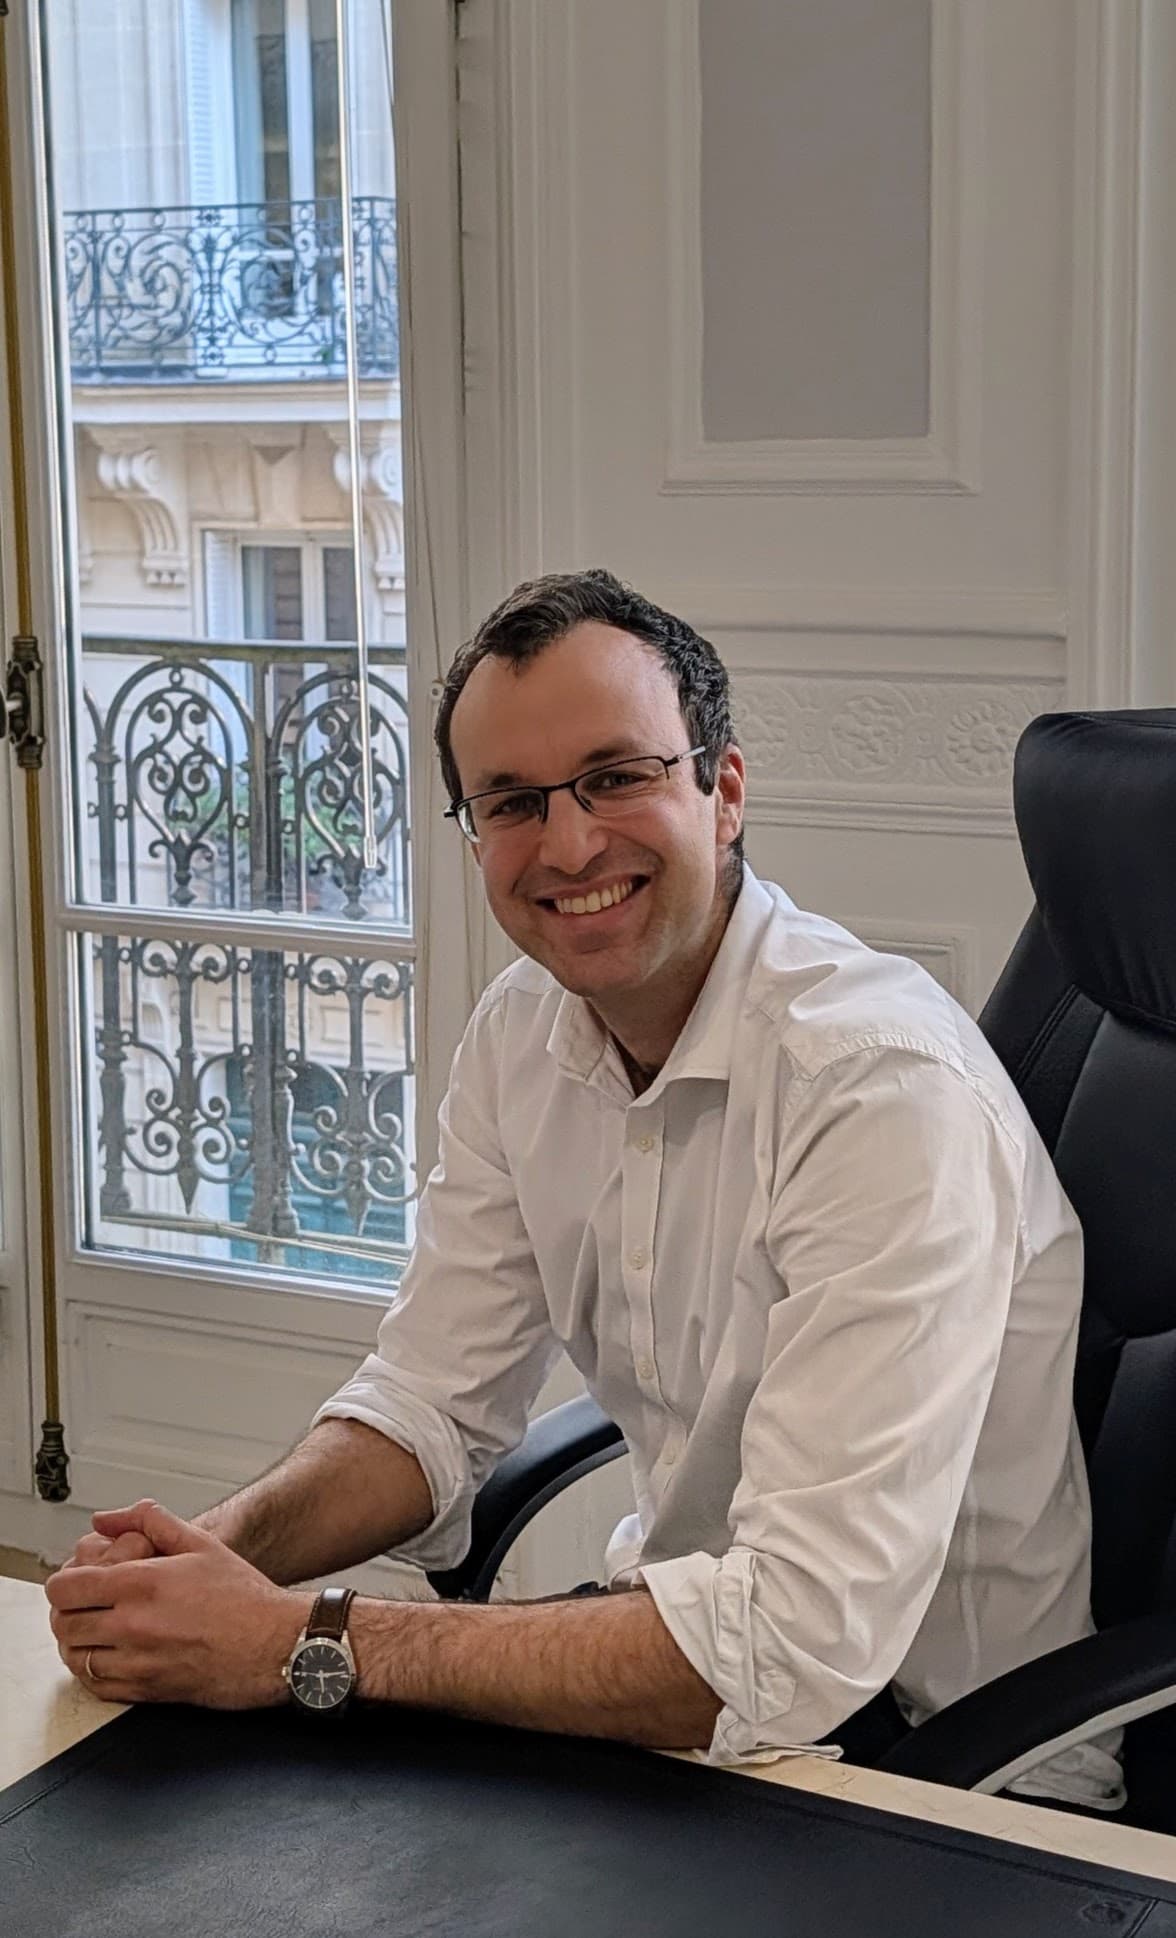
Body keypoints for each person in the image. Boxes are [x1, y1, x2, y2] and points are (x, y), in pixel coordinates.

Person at [46, 568, 1121, 1809]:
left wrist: (300, 1640)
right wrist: (210, 1566)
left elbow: (794, 1642)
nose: (567, 846)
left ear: (721, 790)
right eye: (510, 801)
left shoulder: (879, 1089)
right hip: (695, 1706)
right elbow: (430, 1404)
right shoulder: (524, 1034)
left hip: (946, 1775)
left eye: (616, 776)